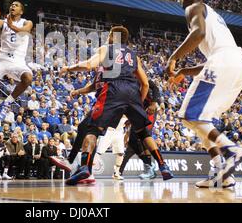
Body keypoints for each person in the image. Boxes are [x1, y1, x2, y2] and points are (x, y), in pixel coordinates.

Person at [55, 26, 173, 185]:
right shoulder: (134, 55)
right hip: (132, 91)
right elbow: (145, 84)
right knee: (143, 133)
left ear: (113, 37)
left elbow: (89, 64)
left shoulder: (106, 49)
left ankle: (85, 167)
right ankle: (162, 165)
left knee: (92, 129)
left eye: (109, 34)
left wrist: (68, 68)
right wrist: (137, 104)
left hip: (113, 90)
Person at [166, 0, 242, 188]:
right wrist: (185, 71)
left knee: (189, 115)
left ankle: (231, 150)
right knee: (201, 122)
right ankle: (222, 172)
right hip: (238, 65)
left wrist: (173, 58)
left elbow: (198, 34)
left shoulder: (193, 7)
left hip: (224, 62)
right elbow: (216, 56)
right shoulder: (214, 15)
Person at [96, 115, 128, 180]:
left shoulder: (127, 110)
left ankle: (116, 173)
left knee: (120, 153)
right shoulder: (114, 107)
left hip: (119, 132)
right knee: (98, 152)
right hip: (108, 131)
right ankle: (89, 171)